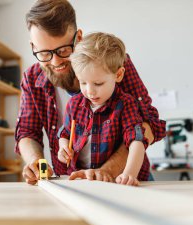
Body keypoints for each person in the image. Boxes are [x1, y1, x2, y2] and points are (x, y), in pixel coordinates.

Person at [15, 0, 165, 186]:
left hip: (126, 180)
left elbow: (147, 124)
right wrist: (37, 164)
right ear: (33, 46)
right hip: (72, 183)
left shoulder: (112, 62)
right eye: (44, 53)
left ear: (78, 37)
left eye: (63, 50)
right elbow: (27, 132)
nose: (55, 62)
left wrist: (106, 172)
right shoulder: (31, 79)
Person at [58, 32, 148, 186]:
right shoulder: (74, 104)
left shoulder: (126, 104)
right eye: (83, 83)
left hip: (116, 180)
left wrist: (129, 174)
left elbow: (137, 142)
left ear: (118, 75)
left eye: (98, 83)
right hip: (83, 179)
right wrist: (63, 147)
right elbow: (65, 133)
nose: (90, 91)